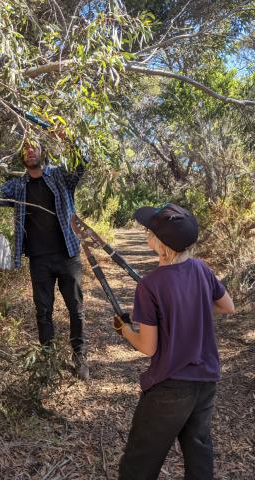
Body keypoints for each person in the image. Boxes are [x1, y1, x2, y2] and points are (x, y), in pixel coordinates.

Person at [114, 203, 235, 480]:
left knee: (140, 460)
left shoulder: (150, 285)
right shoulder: (202, 270)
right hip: (205, 381)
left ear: (160, 243)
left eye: (149, 231)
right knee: (198, 449)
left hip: (170, 385)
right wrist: (193, 310)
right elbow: (227, 306)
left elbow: (148, 346)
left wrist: (123, 329)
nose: (147, 234)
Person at [0, 139, 90, 380]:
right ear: (21, 155)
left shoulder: (60, 177)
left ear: (42, 151)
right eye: (25, 148)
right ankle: (47, 363)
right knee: (43, 312)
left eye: (34, 147)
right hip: (39, 260)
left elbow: (82, 162)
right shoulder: (19, 185)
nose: (30, 151)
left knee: (76, 309)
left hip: (68, 255)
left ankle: (80, 357)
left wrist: (70, 138)